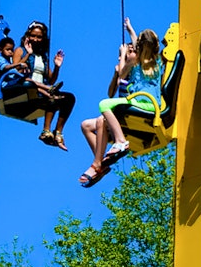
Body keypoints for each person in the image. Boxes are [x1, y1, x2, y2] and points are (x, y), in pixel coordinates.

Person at [78, 19, 166, 187]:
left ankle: (119, 142)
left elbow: (121, 77)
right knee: (88, 125)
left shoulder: (135, 59)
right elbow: (142, 45)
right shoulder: (157, 61)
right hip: (148, 103)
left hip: (141, 102)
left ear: (138, 48)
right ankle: (100, 163)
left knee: (104, 104)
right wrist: (131, 30)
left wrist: (123, 56)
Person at [15, 20, 75, 150]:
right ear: (28, 36)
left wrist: (57, 66)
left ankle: (58, 132)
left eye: (39, 37)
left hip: (42, 91)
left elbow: (51, 79)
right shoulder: (20, 51)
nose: (36, 39)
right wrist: (28, 54)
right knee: (52, 97)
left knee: (69, 98)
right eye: (33, 36)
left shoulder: (43, 57)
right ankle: (45, 131)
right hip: (25, 89)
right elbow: (15, 72)